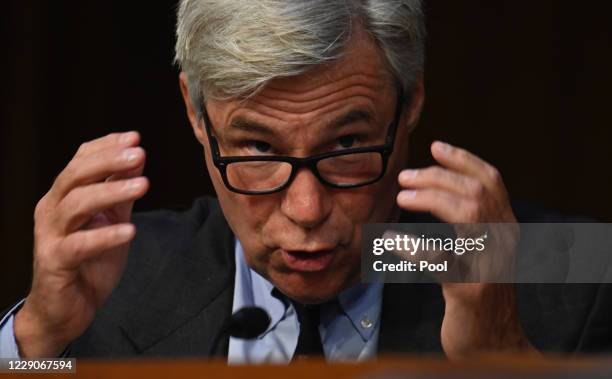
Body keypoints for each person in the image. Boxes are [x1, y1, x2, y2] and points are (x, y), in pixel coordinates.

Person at [1, 0, 609, 362]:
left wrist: (506, 365)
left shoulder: (567, 268)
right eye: (259, 149)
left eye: (346, 146)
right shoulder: (118, 272)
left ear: (412, 100)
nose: (307, 208)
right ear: (195, 112)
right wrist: (34, 346)